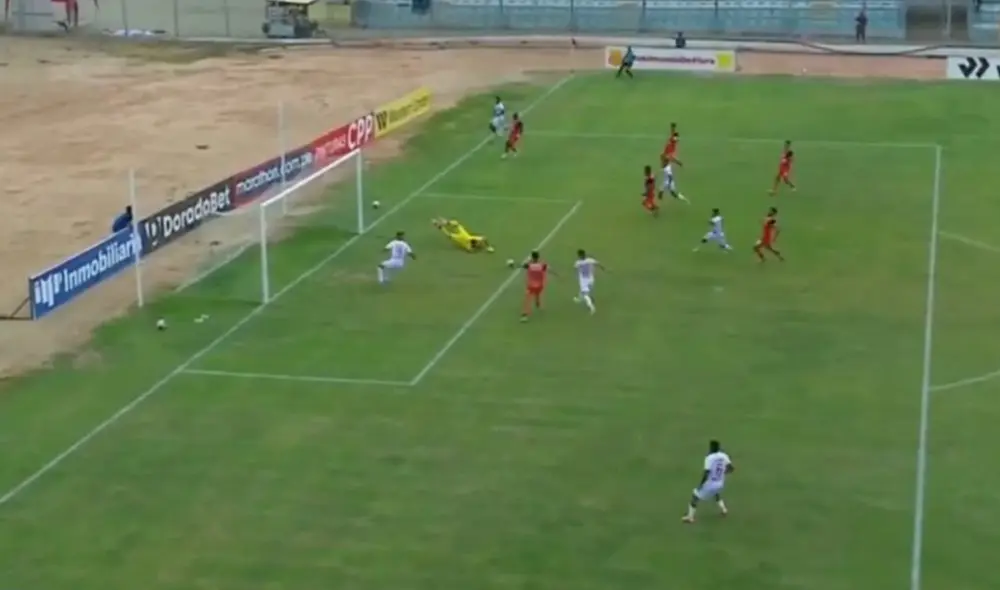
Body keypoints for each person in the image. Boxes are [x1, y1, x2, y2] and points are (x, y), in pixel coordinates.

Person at [682, 439, 734, 523]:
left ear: (712, 448)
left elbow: (706, 473)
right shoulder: (724, 456)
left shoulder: (709, 458)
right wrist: (723, 473)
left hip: (711, 484)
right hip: (720, 483)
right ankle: (724, 509)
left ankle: (690, 517)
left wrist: (701, 485)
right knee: (716, 493)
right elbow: (731, 468)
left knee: (695, 497)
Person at [573, 249, 605, 314]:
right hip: (591, 279)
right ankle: (579, 299)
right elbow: (598, 264)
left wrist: (576, 275)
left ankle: (592, 307)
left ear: (579, 256)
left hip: (584, 280)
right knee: (584, 291)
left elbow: (575, 269)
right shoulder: (590, 260)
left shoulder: (578, 262)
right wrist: (605, 269)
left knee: (585, 294)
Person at [521, 250, 550, 322]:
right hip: (540, 285)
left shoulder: (529, 265)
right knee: (537, 293)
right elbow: (550, 270)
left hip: (531, 285)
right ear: (538, 257)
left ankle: (524, 315)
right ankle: (538, 302)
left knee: (527, 298)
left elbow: (523, 265)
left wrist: (528, 259)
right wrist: (560, 276)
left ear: (532, 257)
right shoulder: (542, 265)